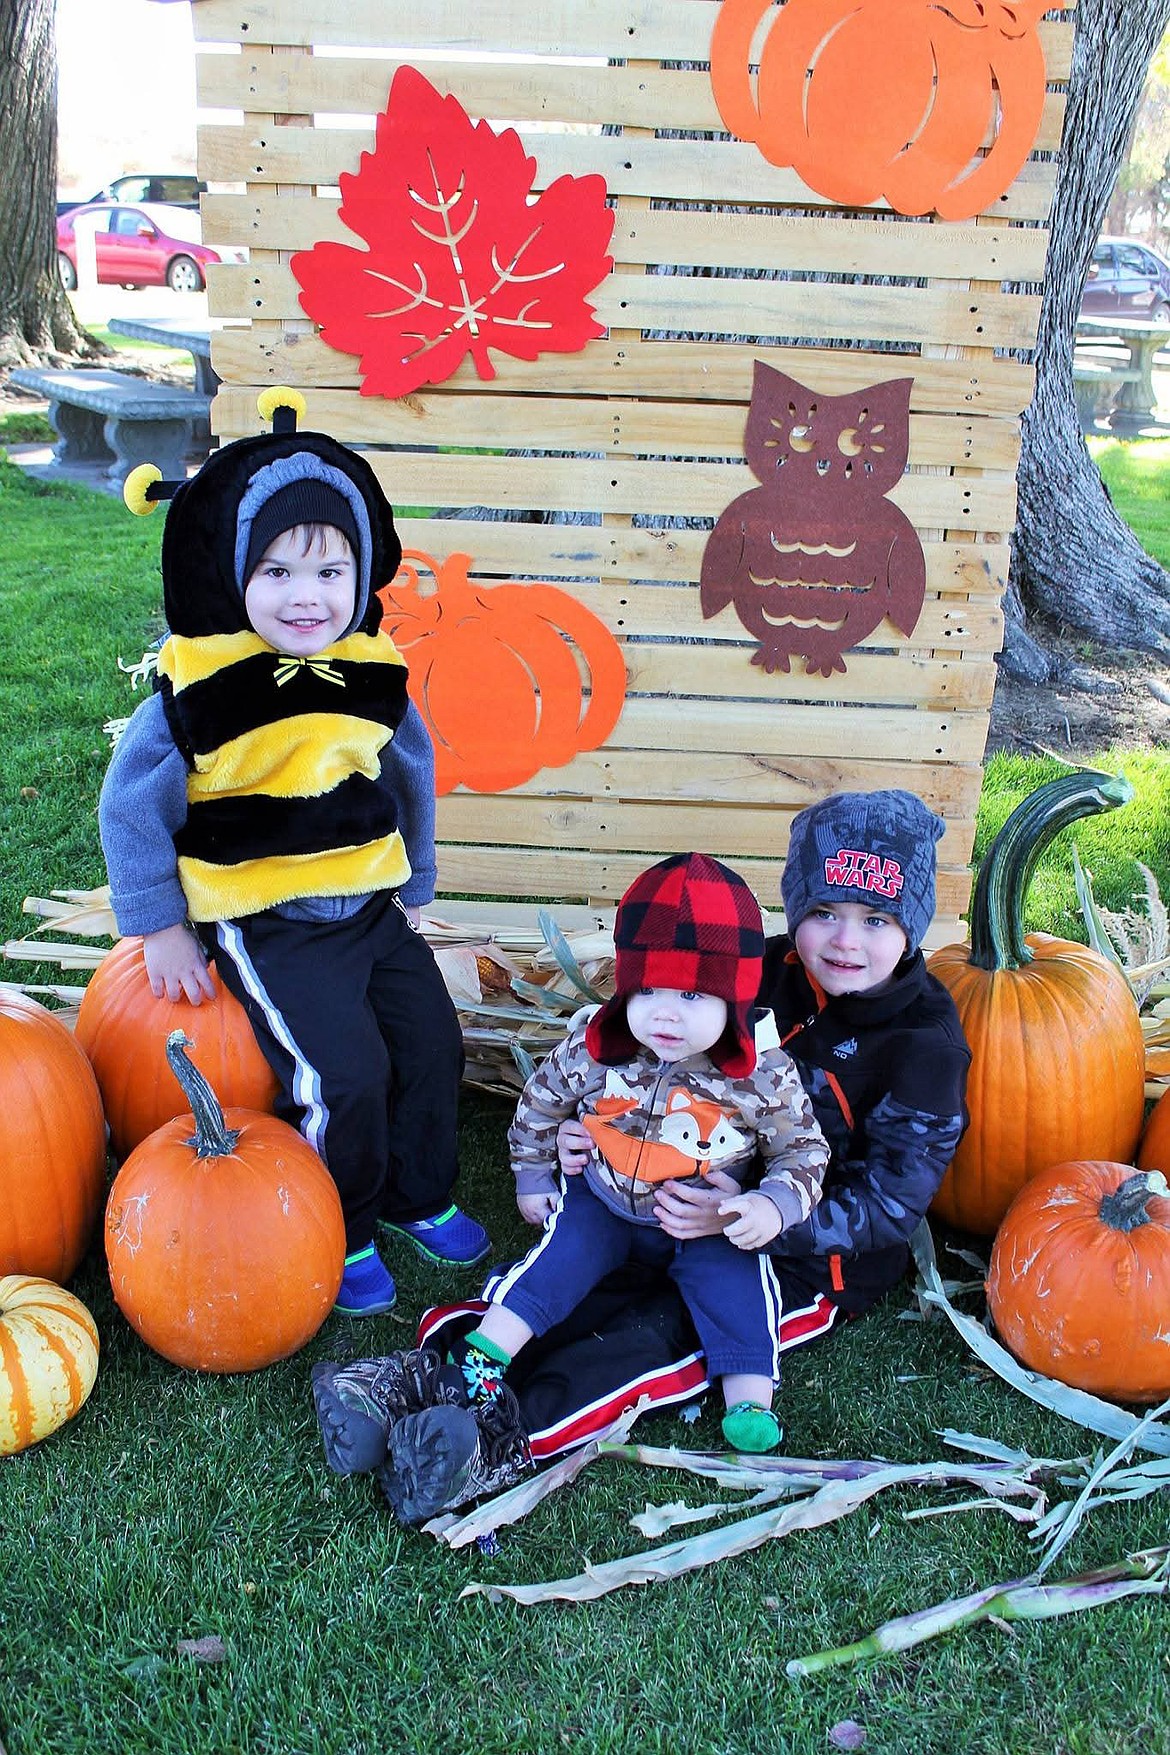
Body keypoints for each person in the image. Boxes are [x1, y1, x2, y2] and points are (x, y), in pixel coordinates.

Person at [411, 786, 971, 1465]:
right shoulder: (746, 966)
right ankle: (432, 1372)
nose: (846, 940)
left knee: (655, 1336)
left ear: (912, 923)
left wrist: (758, 1213)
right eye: (823, 911)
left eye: (876, 919)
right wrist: (586, 1128)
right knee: (567, 1274)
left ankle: (499, 1437)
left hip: (798, 1253)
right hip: (664, 1197)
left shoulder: (926, 1045)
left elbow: (889, 1204)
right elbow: (644, 1059)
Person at [98, 391, 488, 1318]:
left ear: (361, 576)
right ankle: (339, 1222)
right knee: (339, 1074)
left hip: (367, 905)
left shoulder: (370, 668)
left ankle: (416, 1195)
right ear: (236, 576)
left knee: (431, 1043)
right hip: (268, 920)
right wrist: (159, 926)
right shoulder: (199, 687)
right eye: (275, 571)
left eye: (329, 570)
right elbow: (131, 807)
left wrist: (417, 879)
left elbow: (412, 771)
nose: (305, 596)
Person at [314, 852, 830, 1522]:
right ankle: (481, 1355)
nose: (665, 1015)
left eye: (693, 996)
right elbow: (540, 1103)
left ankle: (749, 1399)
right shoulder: (596, 1044)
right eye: (648, 991)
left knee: (736, 1288)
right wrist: (533, 1173)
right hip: (607, 1202)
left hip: (703, 1218)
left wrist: (767, 1202)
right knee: (552, 1266)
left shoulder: (762, 1071)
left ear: (732, 998)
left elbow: (803, 1150)